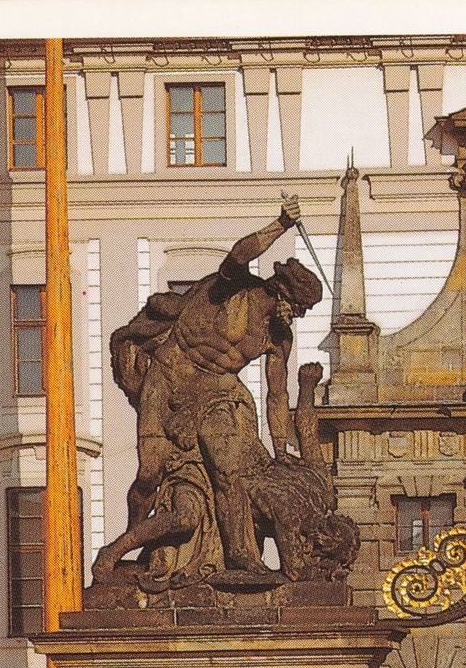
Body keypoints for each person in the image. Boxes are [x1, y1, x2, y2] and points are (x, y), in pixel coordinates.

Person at [108, 195, 324, 578]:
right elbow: (238, 255)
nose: (297, 315)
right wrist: (280, 224)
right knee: (148, 473)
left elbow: (277, 394)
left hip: (222, 395)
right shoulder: (234, 289)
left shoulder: (279, 336)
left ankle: (242, 556)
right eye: (297, 306)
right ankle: (132, 539)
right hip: (171, 375)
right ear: (279, 290)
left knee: (229, 473)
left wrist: (278, 449)